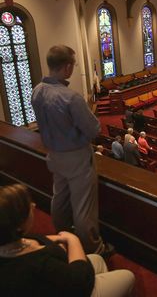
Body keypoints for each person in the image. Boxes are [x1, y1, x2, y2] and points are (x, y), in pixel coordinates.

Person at [31, 45, 108, 255]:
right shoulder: (71, 97)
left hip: (53, 155)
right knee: (83, 208)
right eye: (72, 65)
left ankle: (63, 238)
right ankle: (94, 248)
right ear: (67, 68)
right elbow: (94, 129)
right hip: (76, 158)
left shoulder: (37, 91)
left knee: (60, 199)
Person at [0, 183, 135, 297]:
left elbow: (34, 240)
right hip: (77, 286)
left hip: (64, 278)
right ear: (18, 225)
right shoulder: (39, 265)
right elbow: (80, 280)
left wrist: (58, 239)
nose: (33, 205)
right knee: (128, 276)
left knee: (98, 259)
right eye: (28, 206)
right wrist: (72, 239)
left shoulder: (8, 241)